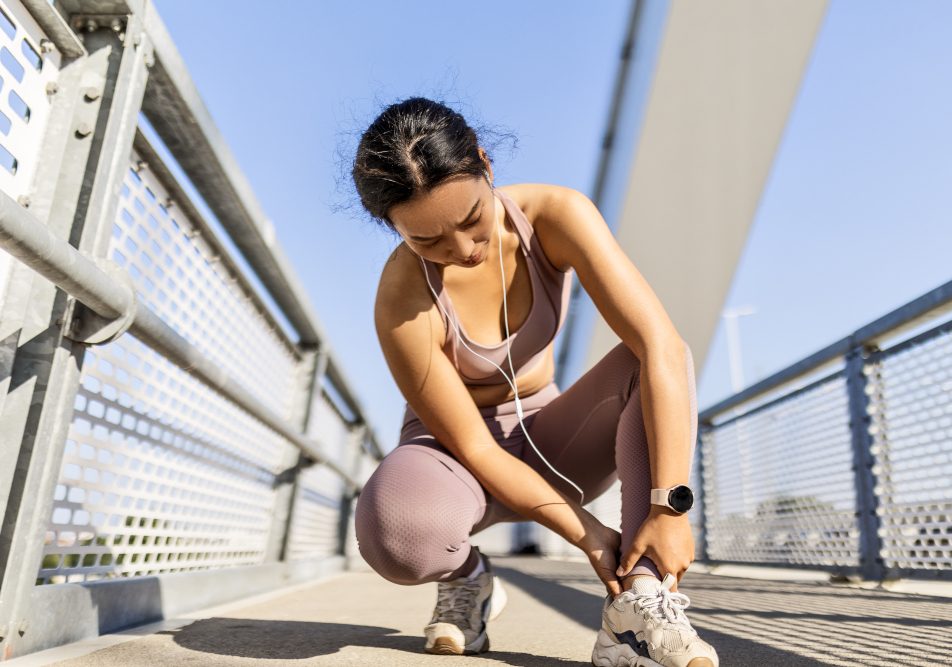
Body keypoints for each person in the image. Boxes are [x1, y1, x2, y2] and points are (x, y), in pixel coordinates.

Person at [351, 97, 719, 667]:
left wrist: (669, 507)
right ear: (392, 227)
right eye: (428, 241)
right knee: (397, 537)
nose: (463, 250)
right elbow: (473, 444)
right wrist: (588, 534)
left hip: (553, 439)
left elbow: (662, 347)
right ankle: (469, 580)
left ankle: (637, 609)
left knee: (652, 359)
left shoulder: (554, 216)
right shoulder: (400, 294)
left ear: (485, 164)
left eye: (472, 219)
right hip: (453, 454)